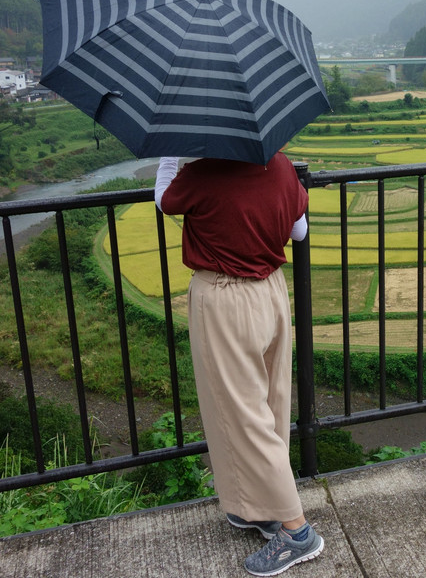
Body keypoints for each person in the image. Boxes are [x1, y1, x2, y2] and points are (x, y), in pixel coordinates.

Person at [154, 153, 323, 576]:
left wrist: (171, 154)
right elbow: (298, 230)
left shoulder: (202, 173)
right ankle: (259, 508)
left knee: (242, 415)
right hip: (271, 293)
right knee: (270, 403)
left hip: (226, 299)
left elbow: (162, 200)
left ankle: (296, 530)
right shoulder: (282, 166)